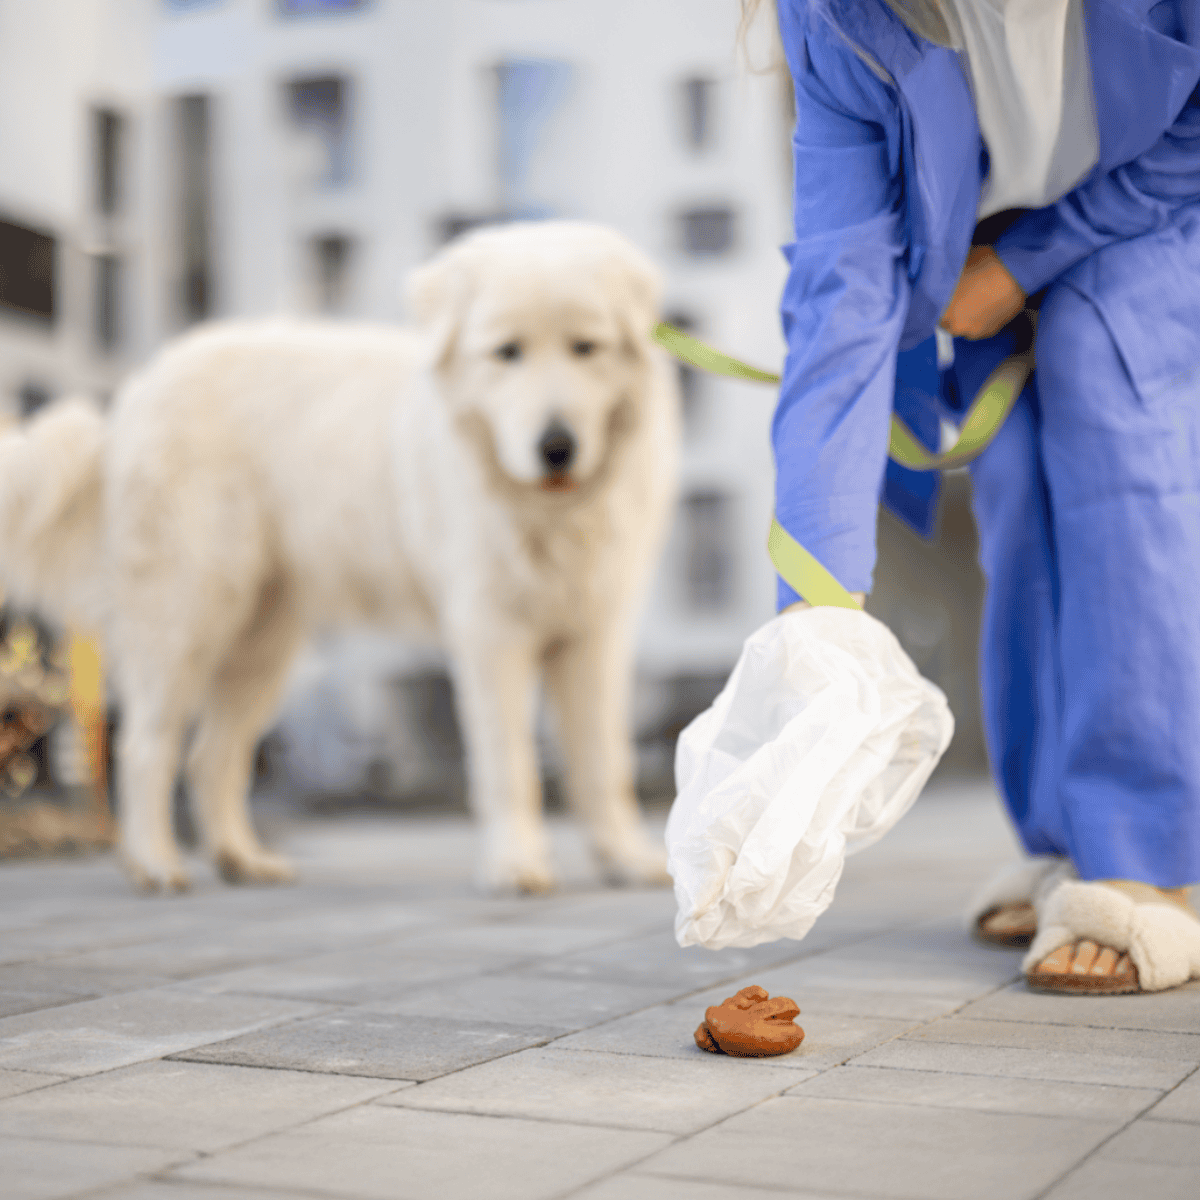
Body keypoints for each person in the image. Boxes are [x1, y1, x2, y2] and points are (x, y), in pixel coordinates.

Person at [756, 0, 1200, 992]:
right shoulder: (838, 17)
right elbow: (843, 294)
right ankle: (1060, 839)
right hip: (990, 237)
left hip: (1169, 199)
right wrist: (817, 617)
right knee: (1014, 497)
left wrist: (1030, 263)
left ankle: (1148, 863)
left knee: (1111, 421)